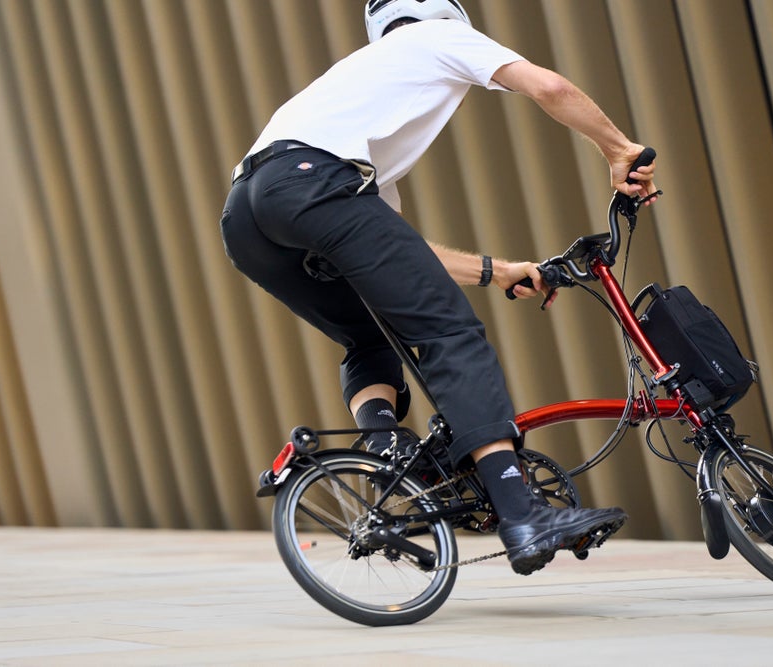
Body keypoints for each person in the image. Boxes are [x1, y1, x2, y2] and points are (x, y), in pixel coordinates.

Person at [221, 0, 657, 576]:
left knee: (370, 336)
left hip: (247, 214)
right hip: (314, 185)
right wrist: (619, 149)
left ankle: (384, 445)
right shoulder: (435, 38)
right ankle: (522, 513)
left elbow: (398, 249)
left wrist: (497, 271)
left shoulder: (352, 92)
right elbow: (549, 86)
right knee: (450, 333)